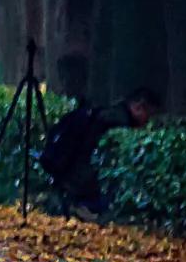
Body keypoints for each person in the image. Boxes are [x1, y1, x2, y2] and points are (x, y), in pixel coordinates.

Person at [40, 85, 161, 219]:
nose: (147, 122)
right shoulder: (117, 121)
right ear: (139, 107)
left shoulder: (110, 112)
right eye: (148, 115)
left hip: (69, 170)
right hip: (80, 176)